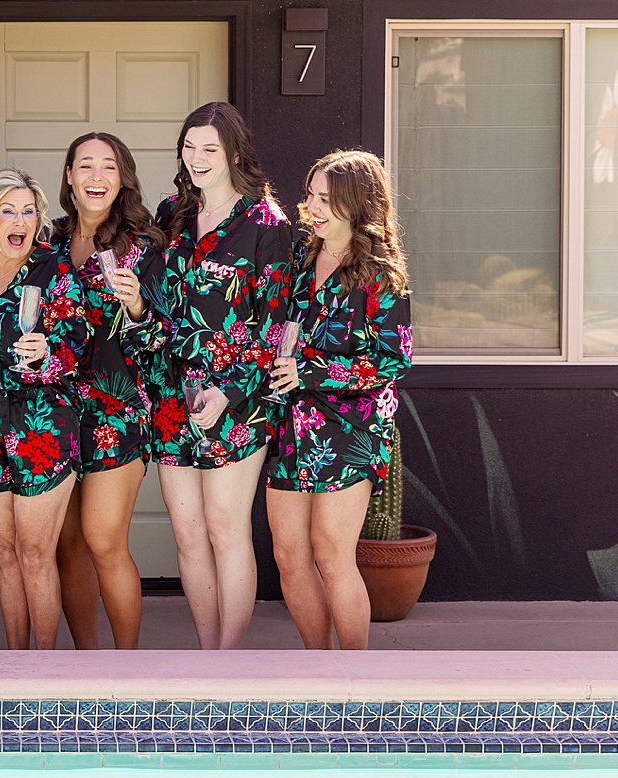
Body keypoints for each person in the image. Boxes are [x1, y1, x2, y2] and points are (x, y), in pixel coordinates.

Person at [151, 101, 292, 650]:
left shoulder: (266, 224)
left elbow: (275, 325)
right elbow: (158, 300)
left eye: (209, 149)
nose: (197, 158)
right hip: (172, 394)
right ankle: (206, 655)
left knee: (225, 529)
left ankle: (229, 663)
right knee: (187, 533)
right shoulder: (171, 214)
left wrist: (228, 391)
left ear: (234, 152)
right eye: (189, 147)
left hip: (238, 400)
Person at [266, 151, 413, 652]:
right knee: (288, 555)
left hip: (349, 431)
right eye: (311, 196)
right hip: (291, 426)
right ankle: (320, 668)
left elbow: (394, 360)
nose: (313, 207)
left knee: (331, 555)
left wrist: (309, 370)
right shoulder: (301, 256)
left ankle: (356, 679)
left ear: (358, 204)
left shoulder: (379, 274)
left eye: (326, 199)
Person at [0, 170, 88, 650]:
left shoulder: (54, 271)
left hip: (42, 426)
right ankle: (17, 662)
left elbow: (77, 345)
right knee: (6, 554)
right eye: (7, 210)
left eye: (29, 210)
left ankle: (45, 671)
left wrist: (47, 354)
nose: (20, 220)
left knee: (35, 553)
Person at [53, 133, 166, 650]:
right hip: (49, 413)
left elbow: (165, 338)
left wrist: (140, 307)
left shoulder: (143, 247)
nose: (97, 177)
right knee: (67, 545)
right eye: (86, 166)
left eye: (108, 167)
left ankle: (127, 668)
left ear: (122, 179)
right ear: (70, 177)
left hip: (114, 413)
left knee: (103, 540)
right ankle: (86, 664)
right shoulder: (46, 241)